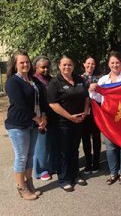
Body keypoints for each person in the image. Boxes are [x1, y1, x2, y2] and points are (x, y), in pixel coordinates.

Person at [5, 50, 47, 200]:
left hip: (33, 123)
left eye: (27, 62)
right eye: (21, 62)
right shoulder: (12, 82)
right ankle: (21, 187)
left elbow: (42, 99)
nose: (25, 64)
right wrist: (37, 118)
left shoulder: (33, 80)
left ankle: (29, 183)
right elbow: (20, 104)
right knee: (21, 157)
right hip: (18, 124)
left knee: (30, 156)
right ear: (15, 65)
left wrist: (44, 117)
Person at [48, 54, 89, 192]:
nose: (67, 67)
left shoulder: (80, 79)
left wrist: (85, 111)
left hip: (78, 120)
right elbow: (53, 104)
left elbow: (86, 97)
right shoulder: (55, 82)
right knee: (64, 151)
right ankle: (64, 178)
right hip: (62, 123)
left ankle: (75, 175)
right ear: (59, 66)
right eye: (64, 64)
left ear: (73, 66)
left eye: (69, 64)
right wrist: (70, 117)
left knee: (74, 149)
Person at [89, 51, 121, 185]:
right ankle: (113, 173)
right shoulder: (102, 80)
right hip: (108, 118)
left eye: (117, 62)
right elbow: (98, 98)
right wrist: (92, 90)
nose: (115, 65)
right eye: (112, 62)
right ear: (108, 64)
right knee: (110, 146)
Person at [32, 56, 53, 181]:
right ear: (36, 67)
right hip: (39, 115)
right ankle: (41, 170)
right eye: (43, 67)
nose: (46, 69)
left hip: (52, 115)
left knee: (50, 143)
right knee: (41, 145)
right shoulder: (34, 81)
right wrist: (40, 117)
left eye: (47, 67)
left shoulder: (50, 79)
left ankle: (50, 166)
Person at [81, 56, 101, 175]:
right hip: (84, 113)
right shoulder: (79, 78)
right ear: (84, 64)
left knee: (96, 138)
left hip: (96, 112)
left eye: (92, 64)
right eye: (88, 64)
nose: (90, 66)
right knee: (85, 139)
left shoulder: (100, 78)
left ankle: (96, 162)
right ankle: (88, 162)